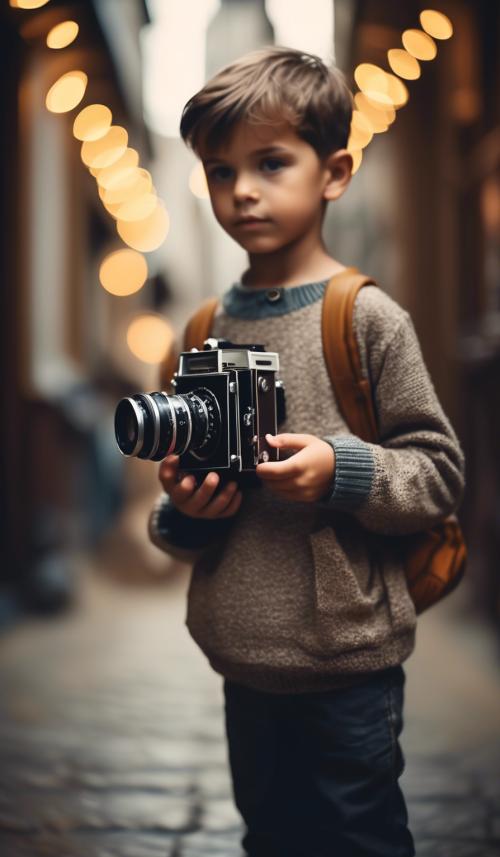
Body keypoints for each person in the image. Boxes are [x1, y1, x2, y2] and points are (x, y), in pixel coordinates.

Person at [148, 46, 465, 857]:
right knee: (272, 834)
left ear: (334, 172)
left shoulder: (365, 318)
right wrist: (185, 511)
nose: (242, 189)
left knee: (359, 836)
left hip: (347, 659)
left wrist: (341, 467)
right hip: (241, 655)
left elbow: (437, 471)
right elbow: (176, 507)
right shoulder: (201, 329)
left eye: (270, 162)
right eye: (220, 171)